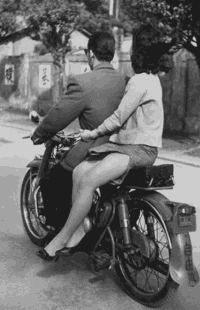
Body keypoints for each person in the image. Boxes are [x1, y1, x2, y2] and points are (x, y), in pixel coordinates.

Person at [36, 24, 174, 261]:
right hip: (129, 147)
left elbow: (119, 117)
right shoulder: (147, 79)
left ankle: (62, 238)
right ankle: (79, 227)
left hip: (137, 150)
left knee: (88, 180)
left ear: (137, 51)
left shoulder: (140, 81)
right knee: (79, 171)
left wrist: (91, 134)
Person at [31, 31, 127, 171]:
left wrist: (38, 134)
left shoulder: (82, 82)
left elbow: (60, 115)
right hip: (122, 148)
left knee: (52, 180)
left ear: (91, 54)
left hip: (94, 148)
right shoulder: (126, 81)